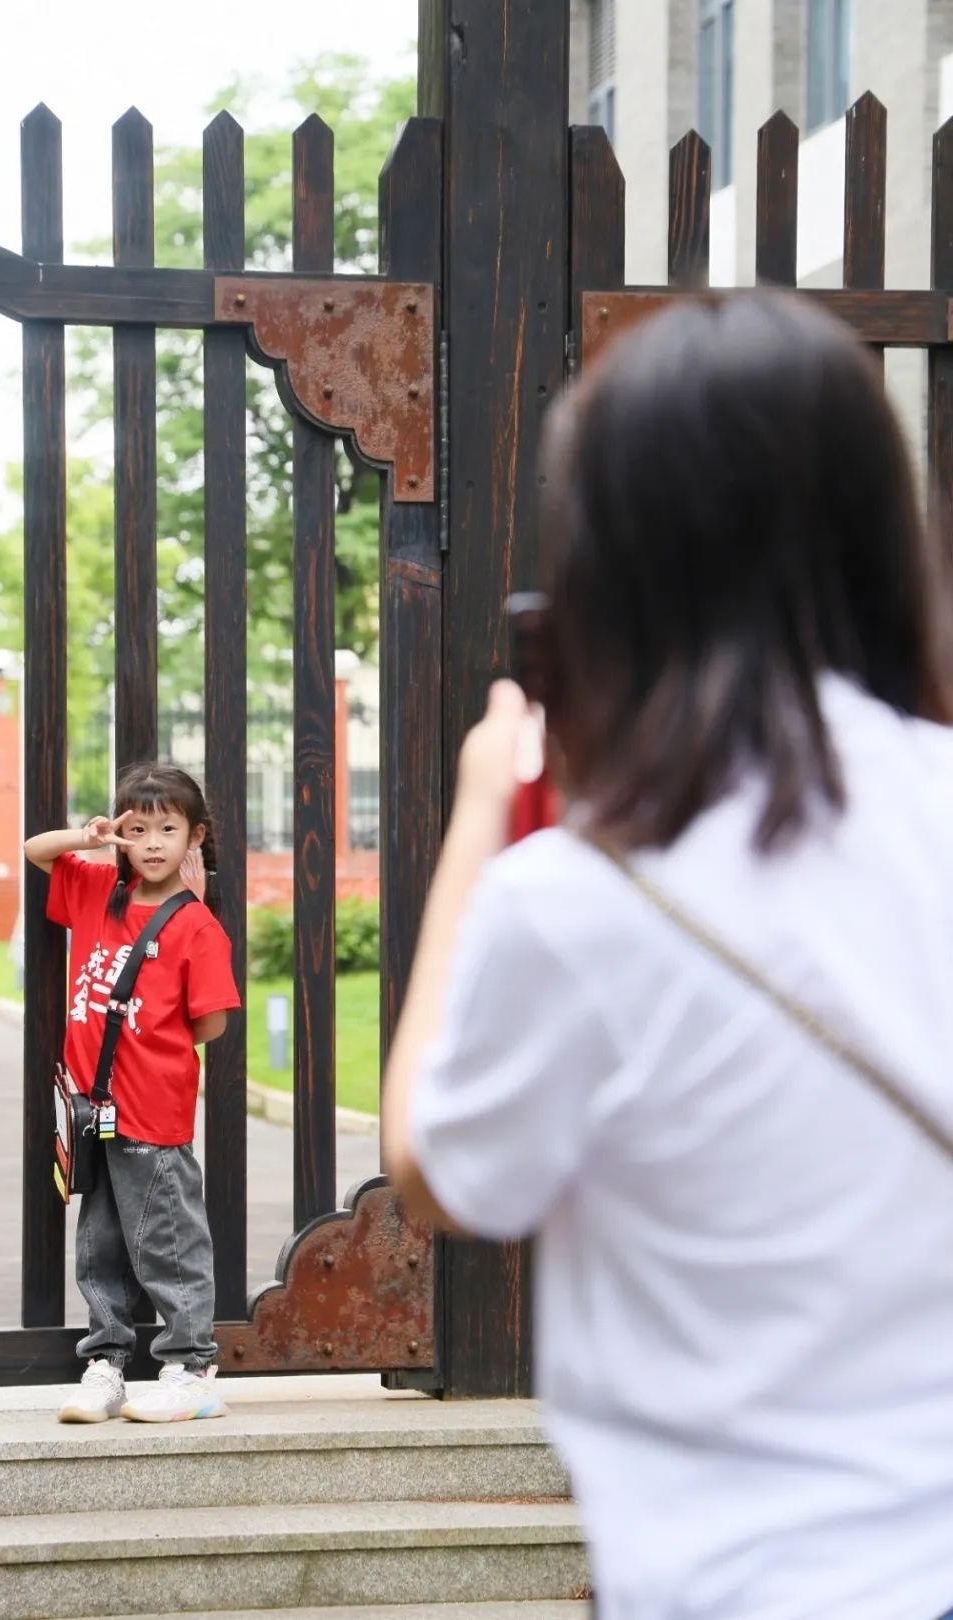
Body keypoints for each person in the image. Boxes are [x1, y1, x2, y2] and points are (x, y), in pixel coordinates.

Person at [382, 291, 953, 1620]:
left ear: (612, 560)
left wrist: (482, 817)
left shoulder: (576, 900)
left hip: (737, 1581)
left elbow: (435, 1172)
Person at [24, 762, 239, 1424]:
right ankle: (107, 1364)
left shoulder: (196, 926)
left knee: (168, 1240)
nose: (151, 843)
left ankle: (191, 1369)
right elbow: (36, 851)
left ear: (195, 836)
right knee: (102, 1244)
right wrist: (88, 838)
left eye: (167, 829)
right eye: (137, 829)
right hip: (96, 1110)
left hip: (153, 1107)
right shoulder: (97, 891)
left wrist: (148, 1042)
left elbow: (211, 1022)